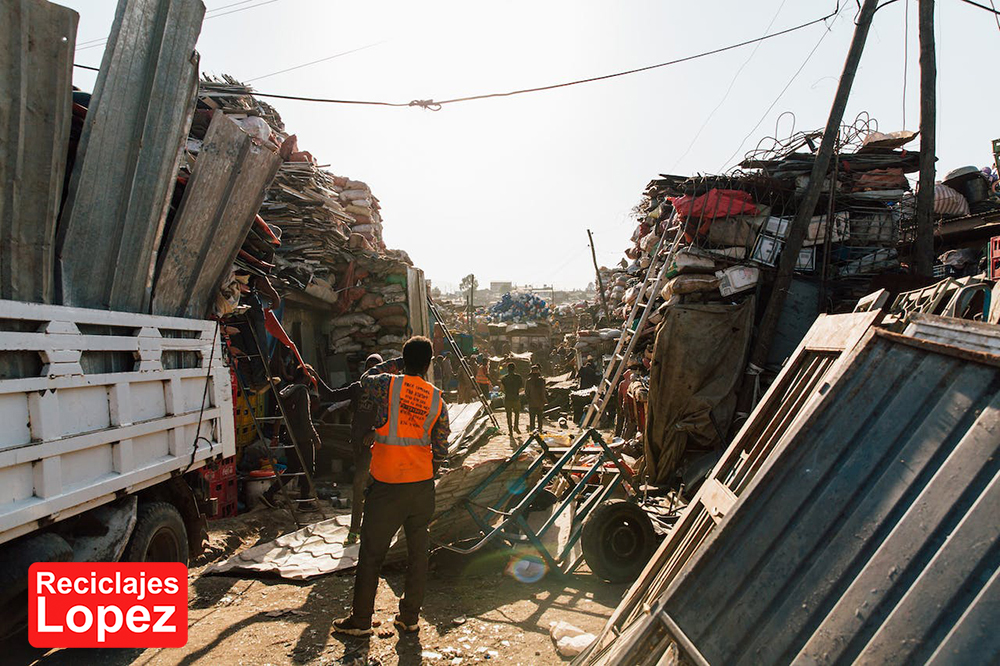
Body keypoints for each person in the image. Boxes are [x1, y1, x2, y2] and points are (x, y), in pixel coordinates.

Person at [333, 336, 450, 637]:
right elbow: (441, 449)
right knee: (418, 554)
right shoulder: (438, 399)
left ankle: (361, 621)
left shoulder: (387, 384)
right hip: (422, 486)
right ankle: (409, 618)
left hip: (387, 486)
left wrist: (397, 363)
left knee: (372, 554)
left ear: (402, 360)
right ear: (429, 363)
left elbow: (364, 378)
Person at [323, 353, 404, 544]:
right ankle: (372, 526)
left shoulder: (387, 391)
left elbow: (394, 416)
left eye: (376, 366)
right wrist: (313, 378)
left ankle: (355, 530)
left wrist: (376, 432)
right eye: (370, 366)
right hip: (357, 442)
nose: (372, 370)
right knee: (368, 484)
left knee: (359, 484)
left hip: (375, 443)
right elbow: (331, 395)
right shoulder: (357, 388)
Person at [262, 363, 322, 506]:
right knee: (308, 469)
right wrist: (315, 437)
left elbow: (278, 415)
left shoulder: (288, 390)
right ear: (307, 376)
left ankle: (269, 493)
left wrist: (276, 436)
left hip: (289, 436)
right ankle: (304, 502)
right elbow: (305, 418)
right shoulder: (302, 391)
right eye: (312, 375)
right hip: (303, 437)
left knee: (293, 468)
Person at [500, 362, 524, 434]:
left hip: (508, 398)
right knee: (517, 414)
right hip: (516, 397)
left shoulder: (504, 378)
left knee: (509, 415)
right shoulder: (518, 377)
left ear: (507, 369)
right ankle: (516, 427)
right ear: (514, 369)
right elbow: (521, 388)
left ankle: (510, 430)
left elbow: (502, 389)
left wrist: (507, 392)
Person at [524, 364, 547, 432]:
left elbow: (526, 393)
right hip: (540, 403)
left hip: (532, 403)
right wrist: (544, 400)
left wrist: (529, 400)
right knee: (540, 419)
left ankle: (532, 432)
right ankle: (539, 431)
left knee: (532, 419)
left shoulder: (528, 381)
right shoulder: (542, 381)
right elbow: (543, 392)